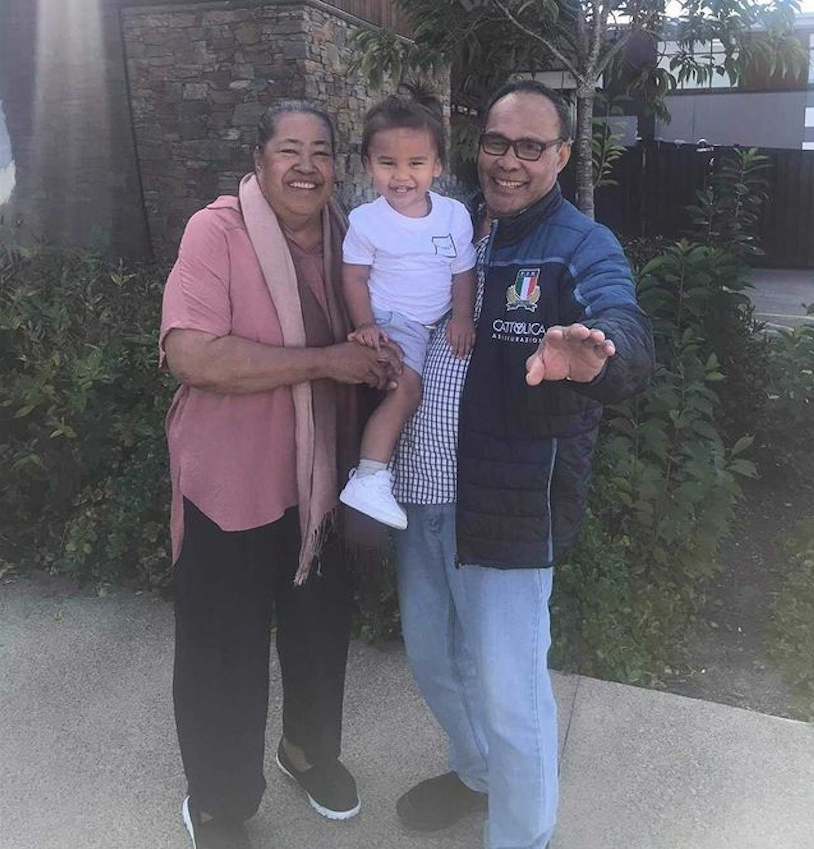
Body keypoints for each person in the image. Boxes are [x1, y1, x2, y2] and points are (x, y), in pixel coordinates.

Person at [391, 80, 655, 849]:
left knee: (512, 695)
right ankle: (476, 775)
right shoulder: (449, 227)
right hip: (423, 490)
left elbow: (624, 327)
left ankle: (522, 835)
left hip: (507, 505)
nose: (508, 161)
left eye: (530, 147)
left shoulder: (578, 244)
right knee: (435, 661)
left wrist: (595, 356)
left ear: (563, 156)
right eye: (496, 143)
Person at [160, 100, 401, 849]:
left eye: (322, 151)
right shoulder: (217, 231)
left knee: (319, 635)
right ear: (259, 158)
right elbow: (191, 354)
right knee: (222, 652)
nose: (306, 165)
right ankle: (220, 802)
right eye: (289, 149)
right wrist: (327, 360)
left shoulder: (353, 240)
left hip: (321, 484)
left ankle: (306, 753)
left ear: (339, 165)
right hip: (228, 485)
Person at [339, 95, 477, 529]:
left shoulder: (454, 216)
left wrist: (462, 317)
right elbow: (354, 278)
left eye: (416, 163)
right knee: (407, 391)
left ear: (437, 165)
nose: (402, 176)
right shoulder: (365, 221)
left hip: (435, 324)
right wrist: (365, 324)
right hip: (395, 321)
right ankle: (370, 477)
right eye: (388, 163)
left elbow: (463, 271)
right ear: (368, 165)